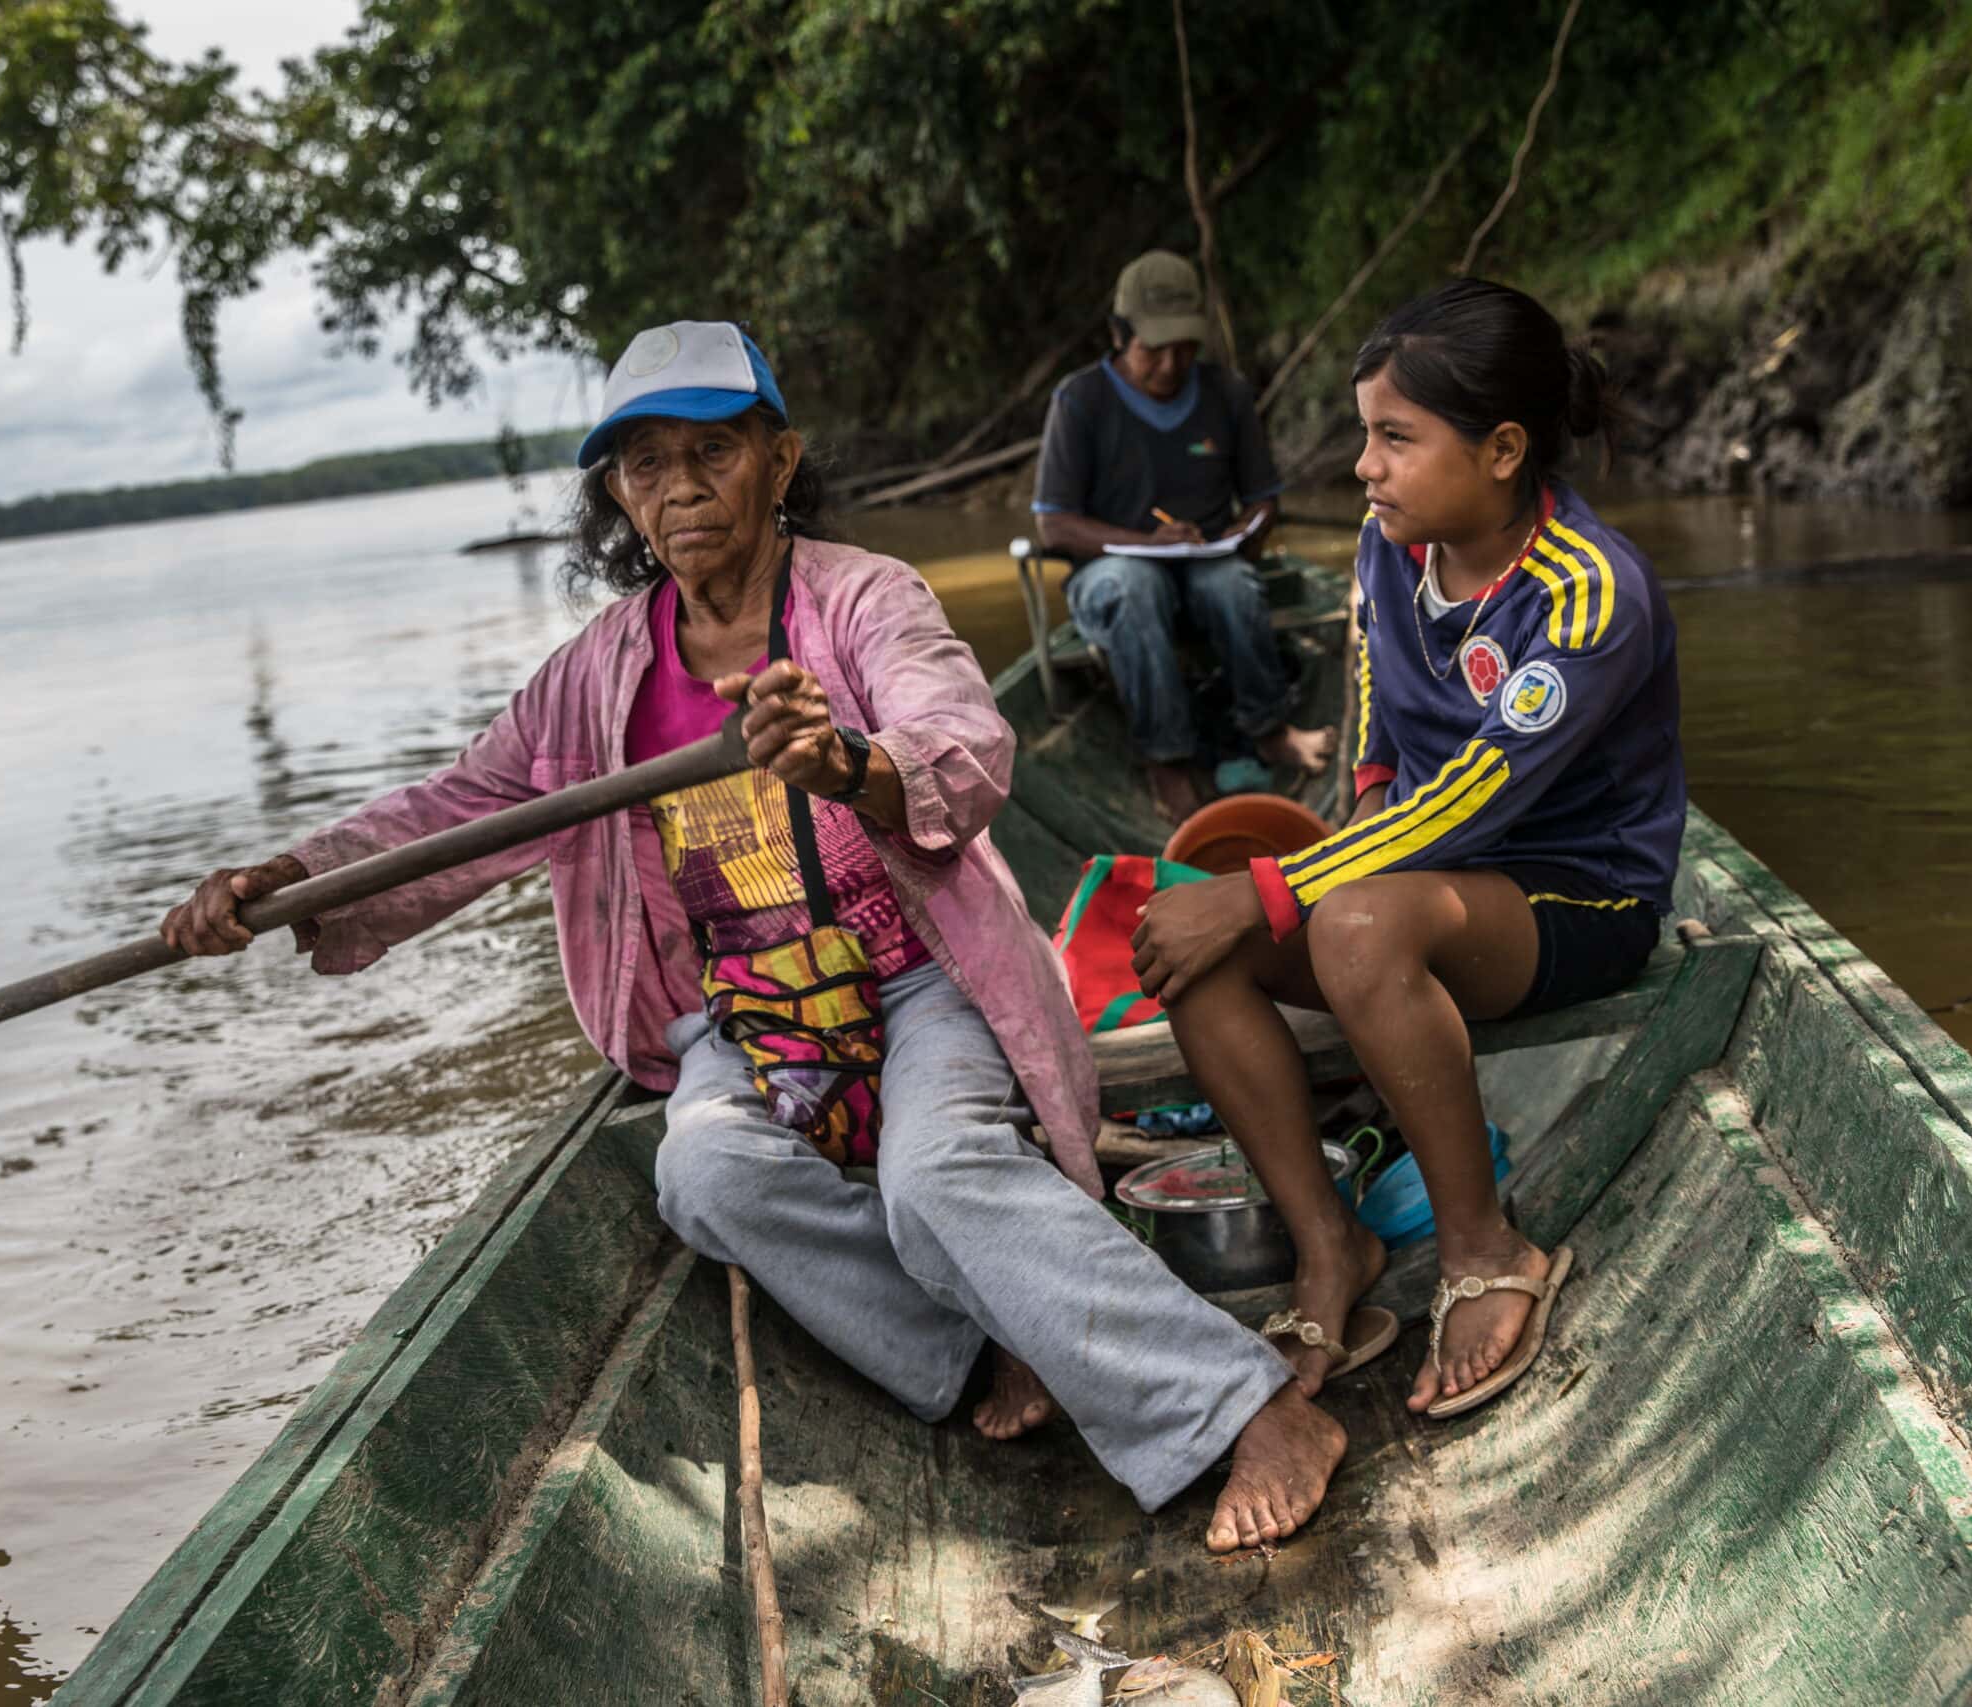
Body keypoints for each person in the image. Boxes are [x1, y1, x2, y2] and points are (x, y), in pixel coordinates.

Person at [163, 320, 1343, 1554]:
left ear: (780, 461)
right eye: (644, 465)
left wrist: (842, 759)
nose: (678, 488)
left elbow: (963, 743)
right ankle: (987, 1336)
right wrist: (288, 880)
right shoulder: (594, 678)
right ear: (618, 492)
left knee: (936, 1173)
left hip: (917, 981)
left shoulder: (865, 600)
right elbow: (455, 811)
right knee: (703, 1173)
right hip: (752, 1017)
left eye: (713, 452)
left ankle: (1243, 1405)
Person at [1129, 280, 1684, 1417]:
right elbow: (1380, 723)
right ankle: (1328, 1245)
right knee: (1186, 938)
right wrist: (1335, 840)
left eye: (1394, 438)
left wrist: (1280, 889)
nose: (1364, 468)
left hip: (1573, 896)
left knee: (1345, 919)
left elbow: (1479, 796)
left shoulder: (1589, 590)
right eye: (1366, 435)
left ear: (1501, 451)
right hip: (1428, 875)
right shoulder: (1393, 547)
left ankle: (1487, 1251)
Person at [1032, 249, 1338, 824]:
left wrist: (1245, 532)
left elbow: (1263, 501)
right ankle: (1167, 759)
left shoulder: (1228, 393)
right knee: (1133, 584)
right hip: (1114, 572)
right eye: (1155, 348)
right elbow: (1055, 523)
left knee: (1232, 585)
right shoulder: (1080, 401)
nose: (1172, 364)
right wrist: (1143, 542)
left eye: (1186, 347)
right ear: (1120, 335)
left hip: (1208, 564)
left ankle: (1269, 728)